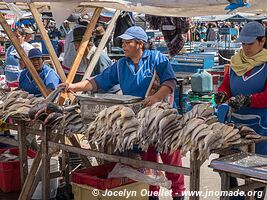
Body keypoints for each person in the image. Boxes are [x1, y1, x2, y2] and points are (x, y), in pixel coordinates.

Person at [59, 26, 184, 200]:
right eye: (123, 42)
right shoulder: (120, 65)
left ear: (140, 44)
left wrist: (156, 97)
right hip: (138, 122)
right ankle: (152, 194)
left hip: (163, 119)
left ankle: (178, 194)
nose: (123, 45)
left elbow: (170, 82)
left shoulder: (156, 58)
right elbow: (97, 82)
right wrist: (73, 86)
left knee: (171, 160)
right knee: (147, 162)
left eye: (128, 42)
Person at [215, 21, 267, 200]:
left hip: (261, 129)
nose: (245, 47)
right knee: (228, 168)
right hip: (234, 127)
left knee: (257, 174)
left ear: (262, 41)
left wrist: (248, 99)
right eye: (243, 43)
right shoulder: (235, 63)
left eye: (250, 43)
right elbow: (226, 86)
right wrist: (222, 94)